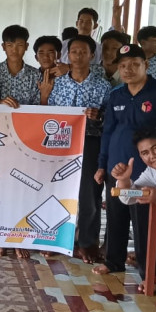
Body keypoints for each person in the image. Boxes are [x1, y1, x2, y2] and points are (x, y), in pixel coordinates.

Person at [94, 44, 156, 291]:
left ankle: (149, 274)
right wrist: (102, 164)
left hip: (149, 173)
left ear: (146, 65)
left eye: (134, 64)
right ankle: (113, 261)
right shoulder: (116, 95)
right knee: (116, 216)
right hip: (118, 169)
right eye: (123, 66)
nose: (128, 70)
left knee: (145, 222)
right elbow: (108, 132)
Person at [46, 35, 112, 264]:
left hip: (91, 143)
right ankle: (56, 239)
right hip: (61, 144)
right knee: (58, 192)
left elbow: (110, 119)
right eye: (74, 51)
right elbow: (49, 115)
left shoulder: (103, 86)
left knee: (89, 195)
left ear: (92, 55)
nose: (78, 56)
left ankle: (87, 242)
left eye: (83, 52)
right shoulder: (58, 84)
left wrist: (99, 117)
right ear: (68, 55)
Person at [0, 25, 40, 107]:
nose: (14, 50)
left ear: (26, 46)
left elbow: (38, 107)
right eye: (9, 45)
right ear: (3, 47)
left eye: (19, 45)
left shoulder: (36, 76)